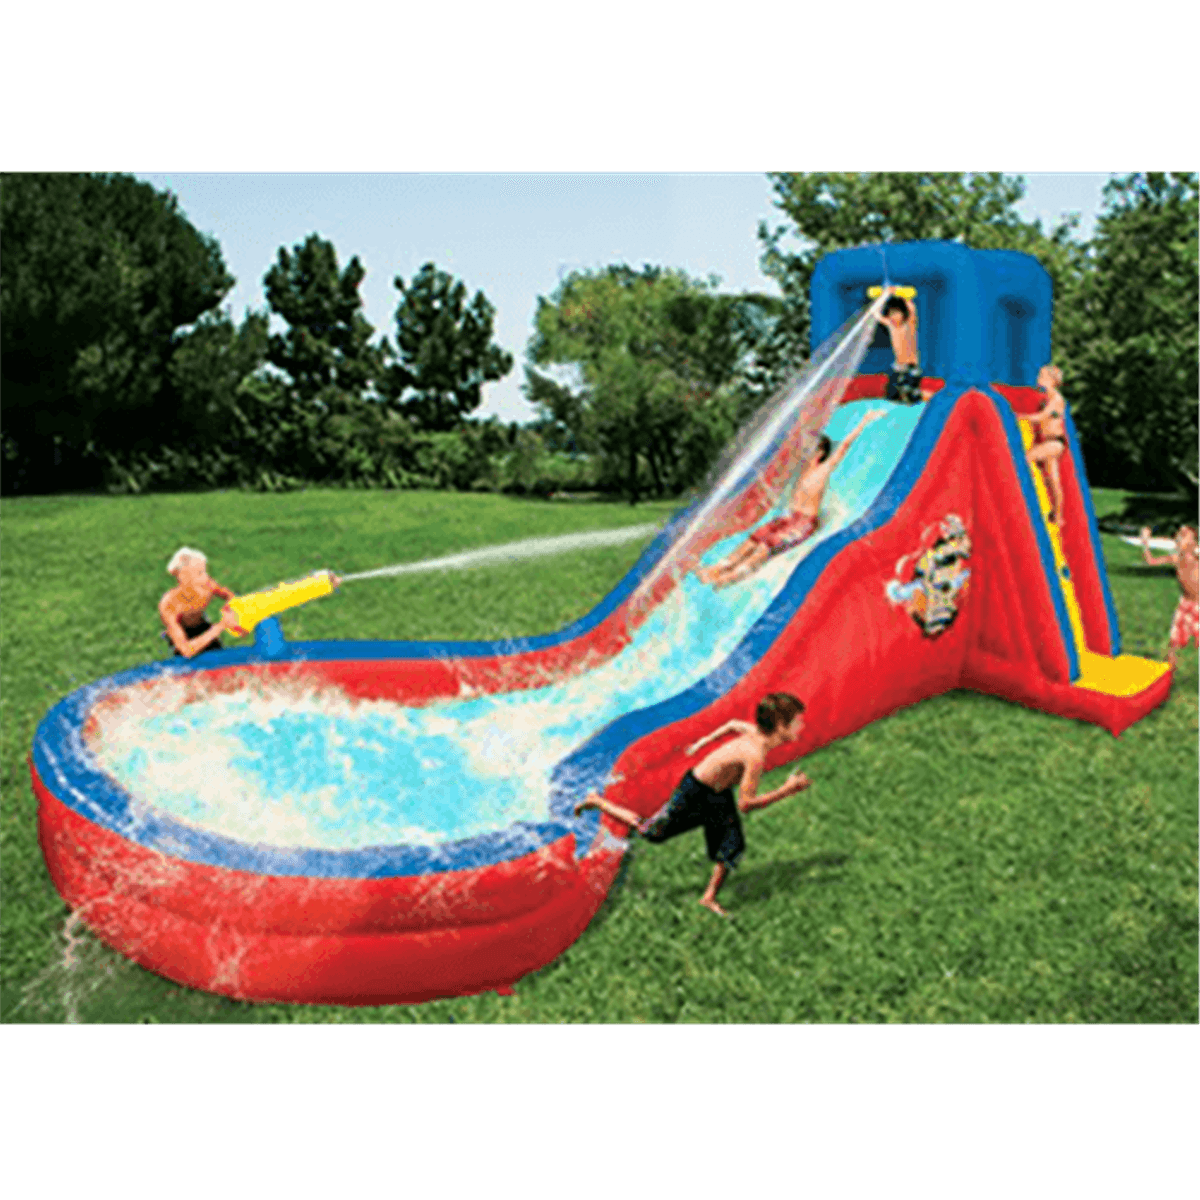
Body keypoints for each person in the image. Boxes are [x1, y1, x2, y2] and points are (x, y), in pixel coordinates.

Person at [574, 693, 810, 917]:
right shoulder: (754, 755)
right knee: (652, 832)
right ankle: (597, 801)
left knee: (732, 844)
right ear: (781, 725)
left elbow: (732, 725)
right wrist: (787, 790)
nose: (802, 726)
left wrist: (702, 743)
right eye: (797, 722)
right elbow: (746, 804)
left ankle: (708, 898)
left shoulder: (755, 733)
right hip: (695, 791)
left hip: (717, 794)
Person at [696, 411, 884, 589]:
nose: (806, 451)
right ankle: (717, 568)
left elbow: (844, 447)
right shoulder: (804, 469)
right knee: (755, 537)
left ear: (819, 453)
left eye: (811, 449)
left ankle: (727, 578)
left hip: (804, 523)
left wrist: (864, 421)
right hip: (790, 517)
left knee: (764, 547)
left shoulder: (823, 470)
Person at [159, 547, 237, 658]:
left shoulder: (207, 585)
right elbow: (186, 651)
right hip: (183, 634)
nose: (205, 578)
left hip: (202, 626)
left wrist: (231, 611)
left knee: (220, 659)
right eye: (199, 573)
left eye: (204, 572)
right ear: (183, 577)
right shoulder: (169, 604)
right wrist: (221, 625)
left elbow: (231, 597)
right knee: (188, 665)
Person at [1140, 524, 1199, 668]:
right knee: (1174, 642)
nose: (1179, 538)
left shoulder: (1197, 559)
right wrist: (1145, 541)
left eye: (1184, 535)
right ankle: (1169, 672)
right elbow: (1151, 561)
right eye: (1178, 535)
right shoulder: (1176, 558)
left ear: (1193, 543)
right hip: (1185, 604)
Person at [1027, 364, 1068, 527]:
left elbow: (1041, 417)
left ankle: (1029, 497)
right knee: (1052, 479)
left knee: (1026, 459)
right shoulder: (1047, 399)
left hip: (1054, 441)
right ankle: (1058, 516)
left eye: (1042, 376)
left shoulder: (1056, 399)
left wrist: (1017, 416)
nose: (1039, 379)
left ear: (1051, 380)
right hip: (1051, 442)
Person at [877, 287, 931, 404]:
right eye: (891, 314)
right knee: (891, 395)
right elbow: (876, 314)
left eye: (897, 314)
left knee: (912, 397)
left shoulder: (908, 326)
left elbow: (912, 309)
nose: (894, 317)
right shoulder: (891, 326)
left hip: (911, 367)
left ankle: (929, 395)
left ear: (903, 315)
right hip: (898, 366)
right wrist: (883, 296)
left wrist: (899, 293)